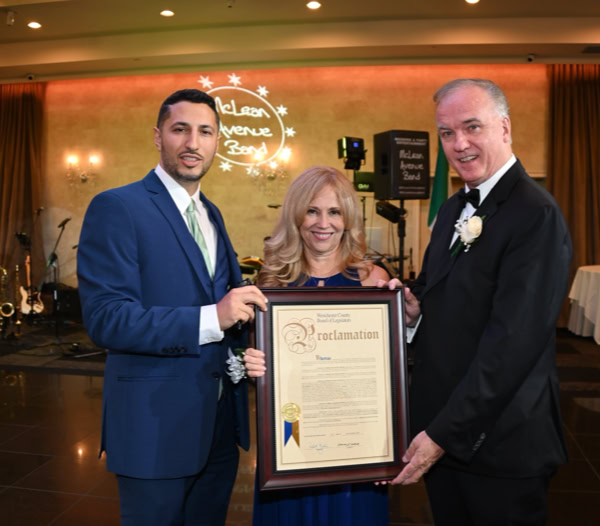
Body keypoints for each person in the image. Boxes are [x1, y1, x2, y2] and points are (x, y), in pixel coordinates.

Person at [381, 79, 573, 525]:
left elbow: (513, 343)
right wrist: (413, 311)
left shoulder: (536, 214)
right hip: (445, 431)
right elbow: (439, 292)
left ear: (504, 128)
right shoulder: (452, 209)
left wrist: (444, 433)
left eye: (472, 127)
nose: (459, 144)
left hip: (501, 442)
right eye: (447, 133)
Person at [77, 88, 267, 526]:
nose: (193, 143)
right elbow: (107, 319)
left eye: (206, 132)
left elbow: (226, 311)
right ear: (158, 136)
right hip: (154, 427)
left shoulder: (211, 214)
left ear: (217, 142)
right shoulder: (117, 207)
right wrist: (212, 317)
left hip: (219, 426)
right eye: (180, 129)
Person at [242, 165, 390, 526]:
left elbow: (386, 378)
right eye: (312, 210)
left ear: (348, 218)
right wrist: (252, 364)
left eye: (334, 211)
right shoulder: (273, 282)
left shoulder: (373, 281)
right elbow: (264, 367)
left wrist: (387, 447)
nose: (323, 223)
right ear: (296, 215)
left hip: (355, 452)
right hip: (290, 448)